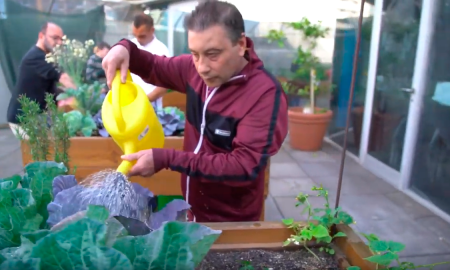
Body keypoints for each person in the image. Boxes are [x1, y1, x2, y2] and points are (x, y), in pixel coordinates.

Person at [102, 1, 288, 222]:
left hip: (234, 223)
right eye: (195, 54)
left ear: (240, 44)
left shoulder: (264, 94)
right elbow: (153, 66)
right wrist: (124, 47)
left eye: (213, 54)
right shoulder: (193, 70)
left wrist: (167, 158)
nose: (202, 67)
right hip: (193, 211)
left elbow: (243, 167)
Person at [7, 22, 75, 137]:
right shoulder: (36, 57)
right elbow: (63, 78)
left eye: (61, 39)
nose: (59, 42)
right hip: (24, 119)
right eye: (55, 38)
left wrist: (66, 93)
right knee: (43, 153)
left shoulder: (46, 56)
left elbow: (51, 86)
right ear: (41, 36)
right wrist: (82, 94)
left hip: (37, 116)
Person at [130, 13, 171, 111]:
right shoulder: (131, 45)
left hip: (151, 107)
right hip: (131, 103)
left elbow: (163, 87)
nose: (138, 40)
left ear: (152, 30)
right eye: (135, 36)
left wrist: (142, 101)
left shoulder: (161, 51)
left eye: (142, 36)